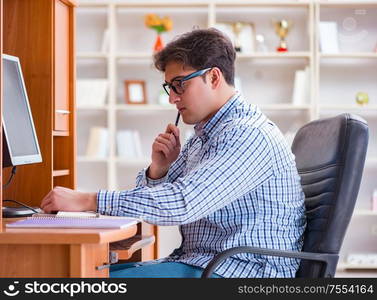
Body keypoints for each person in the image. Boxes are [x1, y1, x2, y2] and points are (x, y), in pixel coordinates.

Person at [41, 28, 306, 278]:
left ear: (213, 77)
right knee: (84, 273)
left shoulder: (247, 134)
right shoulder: (205, 136)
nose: (172, 98)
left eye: (180, 84)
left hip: (239, 271)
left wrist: (88, 200)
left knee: (80, 279)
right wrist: (159, 170)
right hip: (206, 264)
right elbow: (155, 200)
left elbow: (181, 204)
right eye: (170, 87)